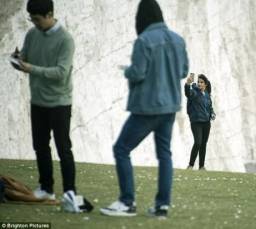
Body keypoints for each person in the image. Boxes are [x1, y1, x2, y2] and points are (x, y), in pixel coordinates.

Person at [100, 0, 189, 218]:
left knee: (121, 149)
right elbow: (184, 71)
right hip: (169, 108)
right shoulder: (178, 40)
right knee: (164, 155)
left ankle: (127, 202)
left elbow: (138, 73)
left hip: (147, 108)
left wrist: (127, 71)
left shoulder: (143, 40)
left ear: (141, 18)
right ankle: (162, 206)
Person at [10, 0, 84, 213]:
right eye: (31, 19)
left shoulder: (65, 39)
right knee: (40, 146)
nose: (34, 23)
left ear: (50, 14)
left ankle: (70, 191)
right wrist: (18, 59)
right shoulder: (33, 34)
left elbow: (61, 73)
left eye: (37, 19)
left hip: (60, 102)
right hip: (38, 101)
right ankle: (46, 188)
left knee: (63, 148)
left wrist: (30, 68)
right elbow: (26, 56)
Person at [185, 73, 215, 171]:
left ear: (205, 84)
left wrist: (212, 113)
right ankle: (190, 165)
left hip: (206, 122)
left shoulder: (206, 94)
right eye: (198, 82)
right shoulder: (194, 92)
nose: (199, 83)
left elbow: (209, 107)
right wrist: (187, 84)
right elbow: (187, 93)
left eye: (201, 82)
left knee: (203, 144)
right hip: (196, 121)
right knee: (198, 142)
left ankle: (201, 166)